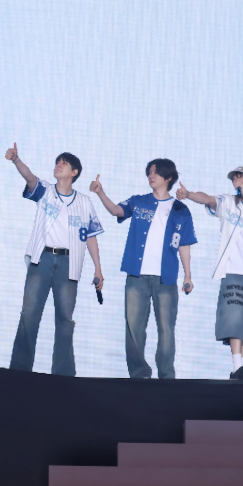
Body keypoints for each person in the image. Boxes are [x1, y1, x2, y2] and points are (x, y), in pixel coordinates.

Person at [90, 159, 196, 379]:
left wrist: (188, 275)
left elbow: (184, 244)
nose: (151, 176)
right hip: (136, 276)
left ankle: (166, 376)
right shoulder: (139, 201)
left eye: (156, 172)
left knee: (166, 329)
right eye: (149, 172)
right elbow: (117, 211)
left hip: (166, 279)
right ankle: (139, 376)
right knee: (134, 329)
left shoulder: (181, 210)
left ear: (168, 178)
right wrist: (100, 193)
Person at [6, 144, 104, 377]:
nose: (58, 165)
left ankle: (63, 375)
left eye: (64, 163)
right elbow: (29, 177)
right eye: (57, 162)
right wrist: (16, 160)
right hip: (42, 260)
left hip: (69, 265)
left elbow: (90, 237)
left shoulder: (84, 202)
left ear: (74, 172)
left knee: (65, 319)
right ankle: (19, 372)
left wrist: (98, 269)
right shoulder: (46, 191)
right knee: (29, 314)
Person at [176, 167, 243, 381]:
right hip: (233, 270)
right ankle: (236, 367)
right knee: (233, 318)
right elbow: (208, 199)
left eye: (241, 177)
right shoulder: (228, 201)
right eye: (234, 178)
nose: (236, 180)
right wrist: (189, 194)